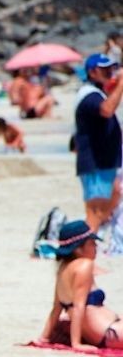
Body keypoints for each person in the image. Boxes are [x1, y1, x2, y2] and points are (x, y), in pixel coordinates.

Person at [38, 220, 122, 350]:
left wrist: (44, 337)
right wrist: (76, 344)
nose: (96, 246)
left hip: (103, 332)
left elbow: (57, 308)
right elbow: (79, 306)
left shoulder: (62, 269)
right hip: (108, 331)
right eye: (92, 243)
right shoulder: (85, 266)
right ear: (78, 249)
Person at [75, 53, 123, 232]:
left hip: (104, 161)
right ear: (93, 72)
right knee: (95, 211)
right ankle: (85, 246)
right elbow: (107, 110)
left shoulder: (97, 94)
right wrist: (121, 85)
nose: (110, 72)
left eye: (111, 68)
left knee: (115, 193)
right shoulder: (89, 94)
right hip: (96, 163)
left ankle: (92, 238)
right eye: (105, 69)